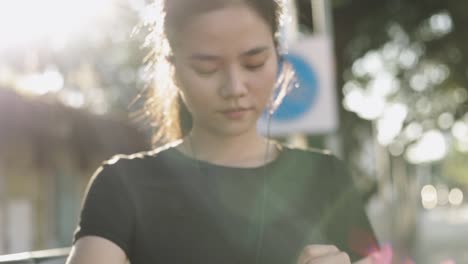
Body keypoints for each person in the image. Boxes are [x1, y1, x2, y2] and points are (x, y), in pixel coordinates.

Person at [66, 0, 381, 263]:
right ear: (173, 70)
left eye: (254, 63)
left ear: (278, 56)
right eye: (207, 69)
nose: (234, 88)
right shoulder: (122, 185)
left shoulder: (326, 175)